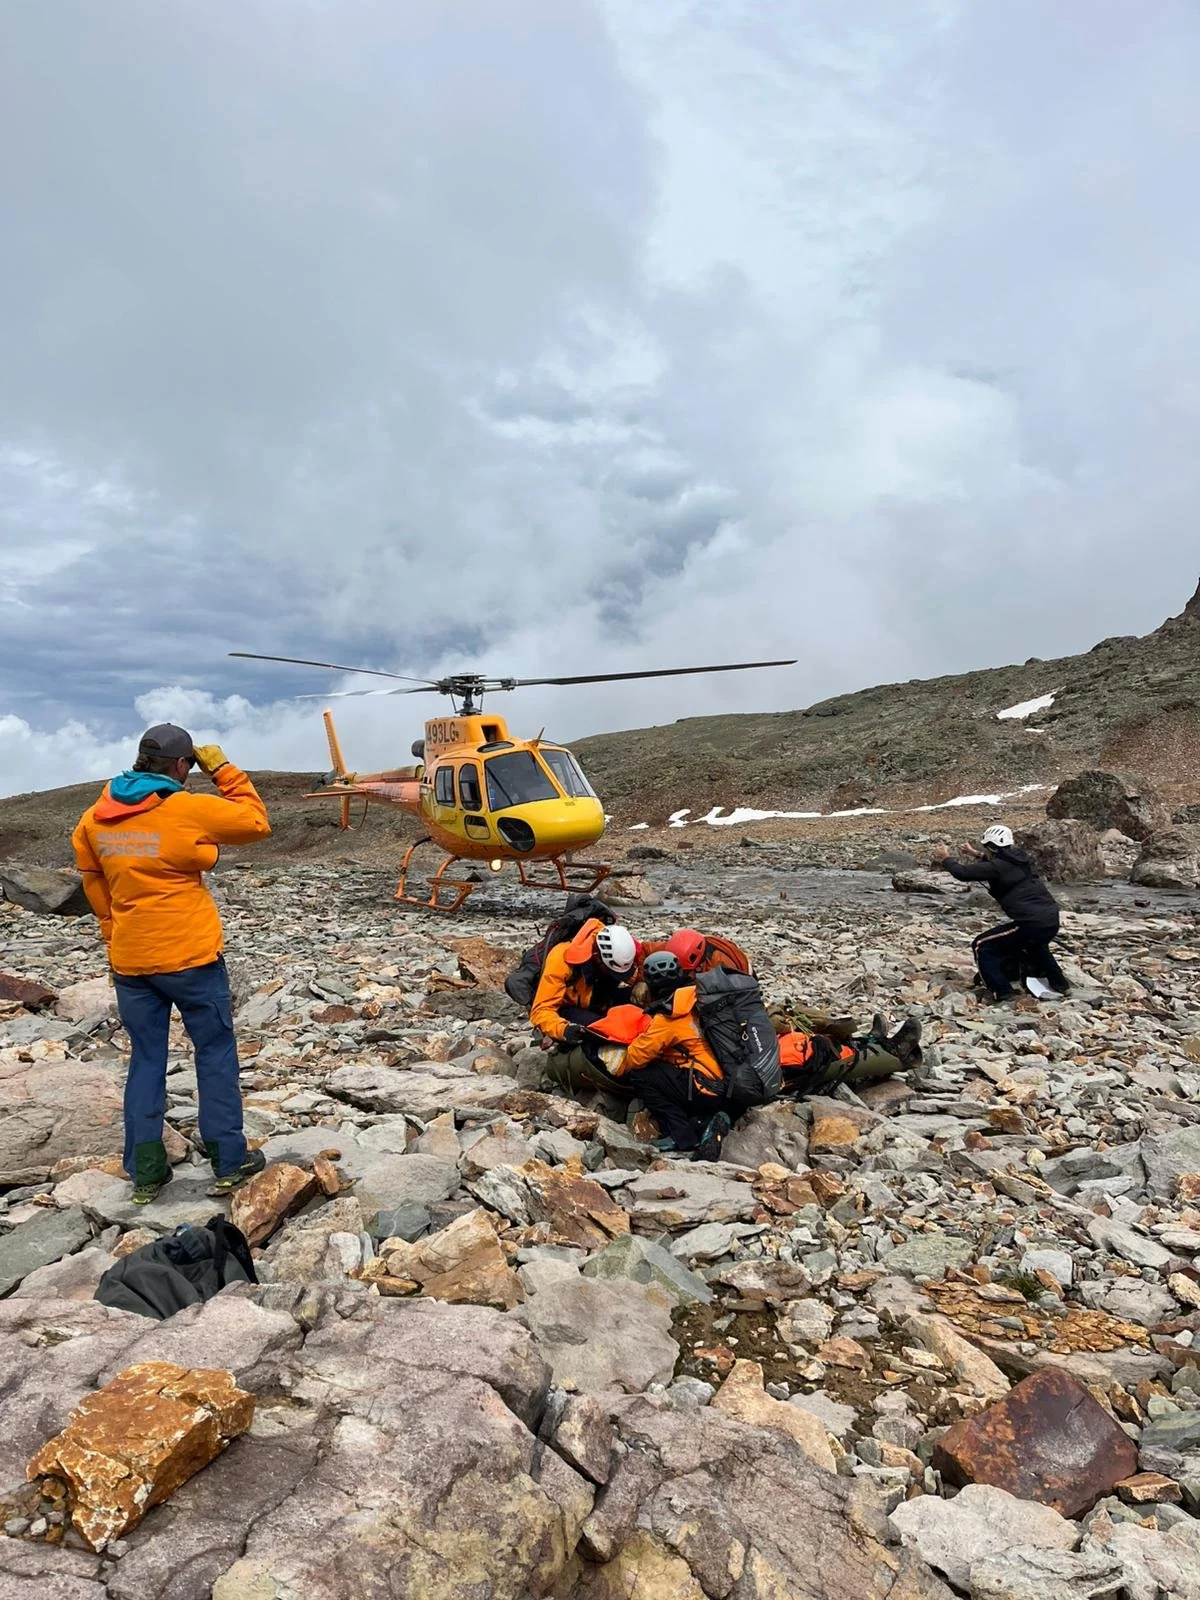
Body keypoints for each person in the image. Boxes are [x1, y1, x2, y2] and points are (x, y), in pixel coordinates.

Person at [72, 724, 271, 1204]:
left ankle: (145, 1173)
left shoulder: (96, 817)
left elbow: (92, 878)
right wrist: (223, 769)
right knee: (214, 1053)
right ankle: (228, 1161)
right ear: (183, 766)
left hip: (132, 962)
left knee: (146, 1060)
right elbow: (256, 823)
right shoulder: (185, 806)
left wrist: (112, 931)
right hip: (192, 959)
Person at [609, 950, 731, 1160]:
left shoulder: (669, 1016)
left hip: (705, 1087)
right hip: (728, 1081)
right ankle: (708, 1120)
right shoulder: (697, 997)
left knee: (642, 1075)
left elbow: (635, 1057)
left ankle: (680, 1134)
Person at [932, 824, 1069, 1003]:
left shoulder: (998, 867)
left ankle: (1002, 992)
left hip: (1030, 922)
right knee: (1036, 946)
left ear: (991, 847)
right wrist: (974, 854)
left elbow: (963, 873)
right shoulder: (1021, 860)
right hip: (1051, 919)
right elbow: (998, 864)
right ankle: (1060, 985)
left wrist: (946, 859)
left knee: (982, 945)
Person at [531, 920, 639, 1097]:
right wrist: (564, 1030)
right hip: (567, 1011)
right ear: (597, 956)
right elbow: (541, 1010)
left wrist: (643, 985)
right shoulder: (561, 958)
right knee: (605, 1033)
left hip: (598, 1002)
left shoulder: (620, 948)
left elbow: (641, 962)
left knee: (639, 1001)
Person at [776, 1012, 922, 1096]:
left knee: (809, 1040)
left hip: (767, 1051)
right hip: (773, 1067)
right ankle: (893, 1053)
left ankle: (870, 1042)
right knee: (815, 1055)